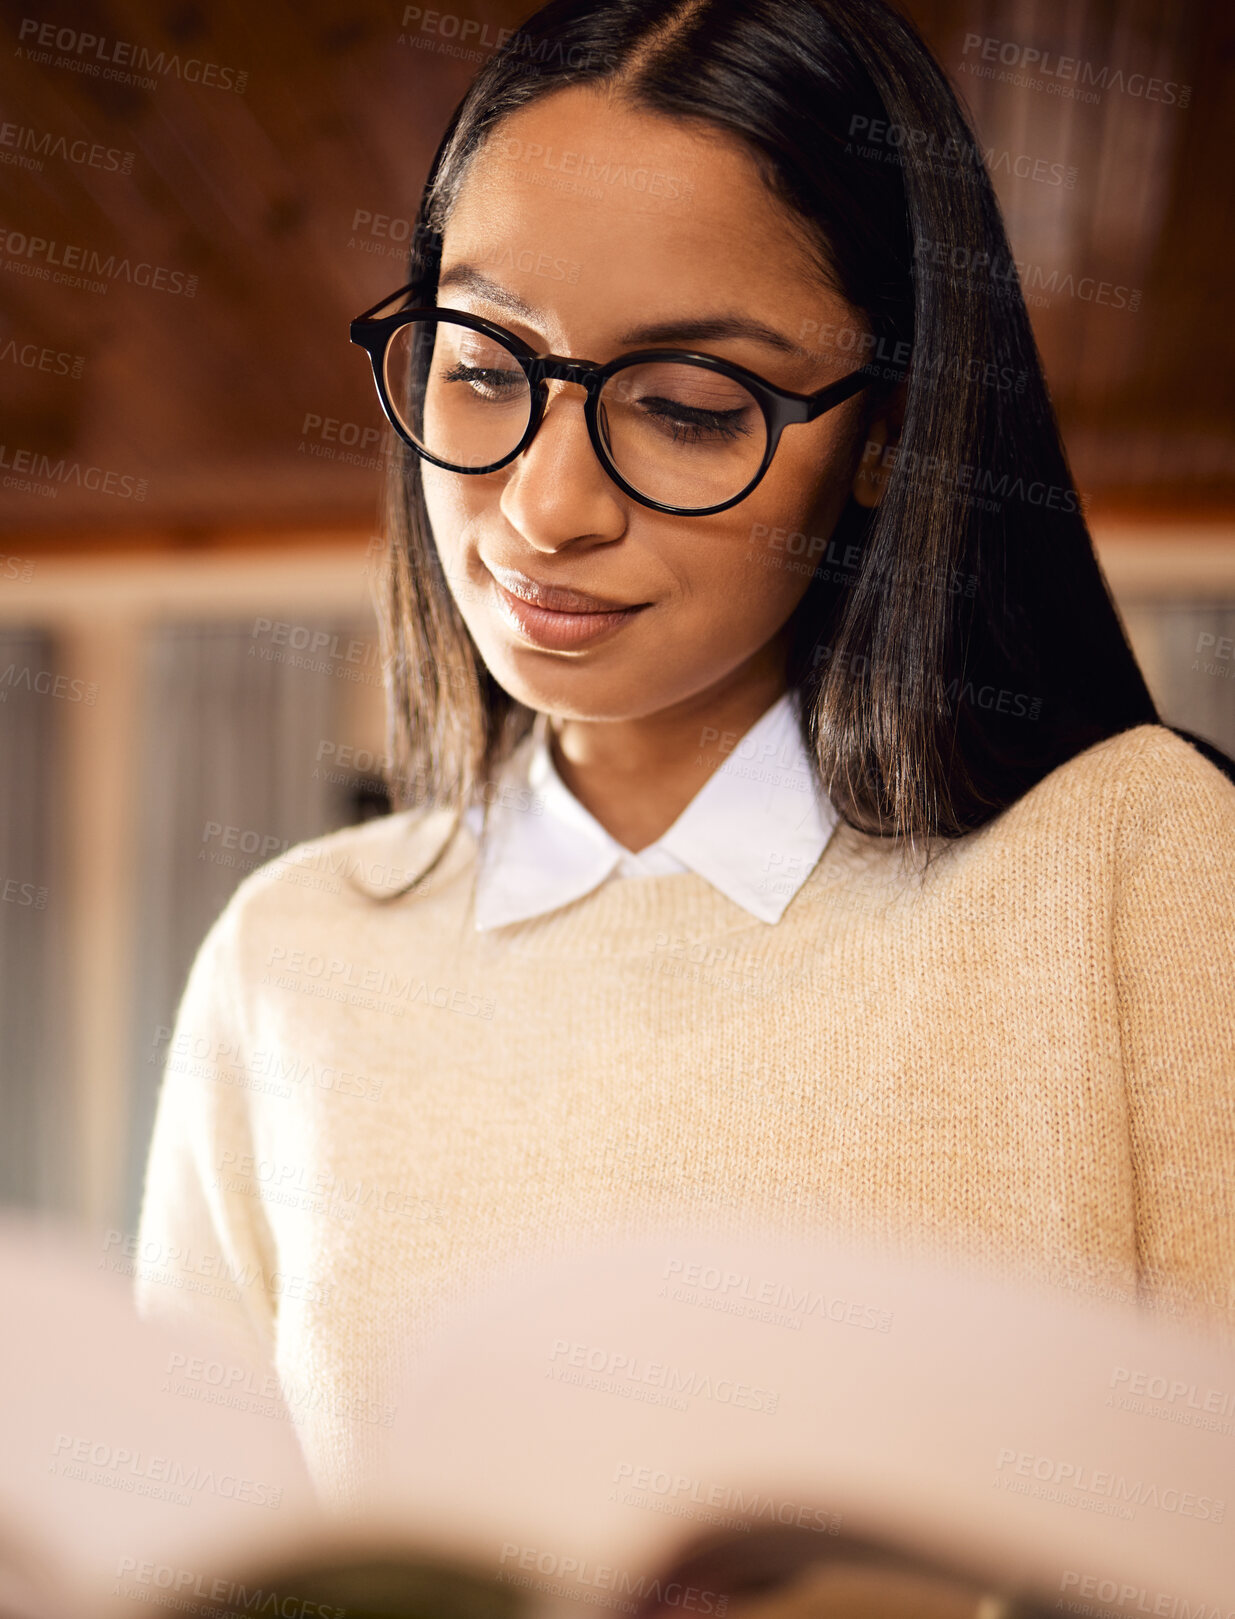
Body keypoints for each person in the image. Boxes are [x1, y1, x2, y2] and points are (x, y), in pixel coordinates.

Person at [136, 0, 1235, 1510]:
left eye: (688, 407)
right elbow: (200, 1559)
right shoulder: (292, 961)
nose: (544, 507)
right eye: (478, 364)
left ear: (892, 439)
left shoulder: (1137, 870)